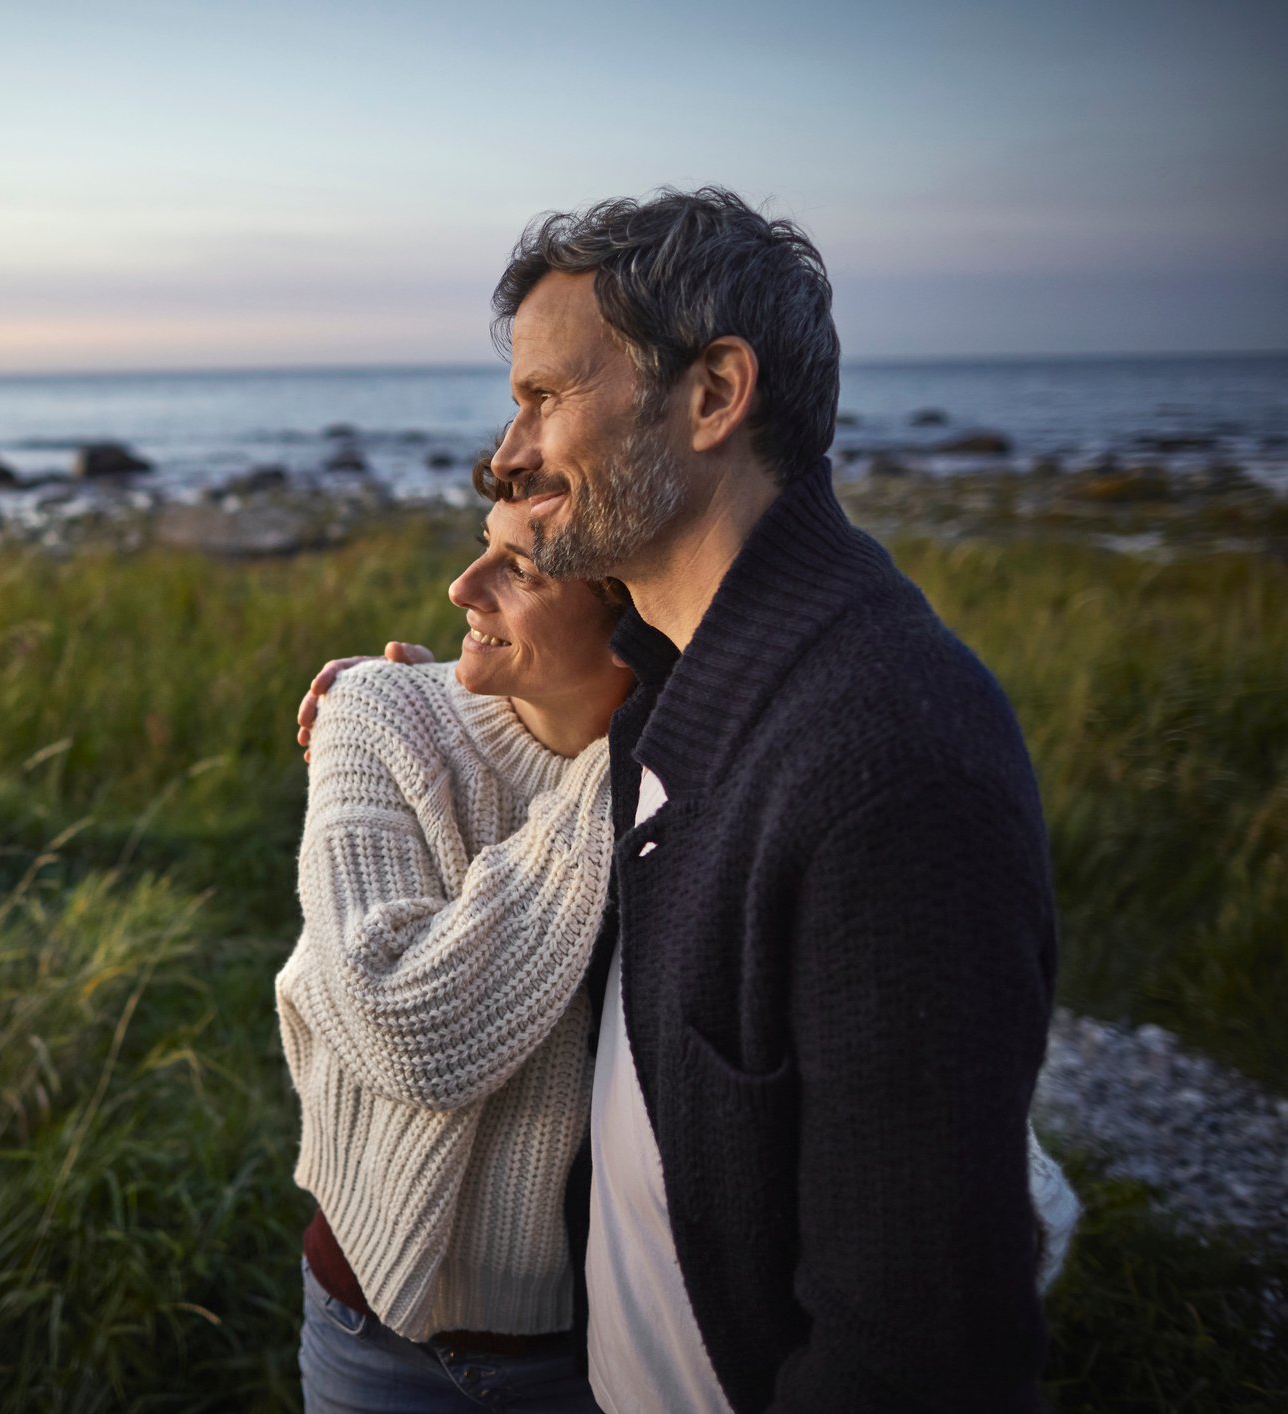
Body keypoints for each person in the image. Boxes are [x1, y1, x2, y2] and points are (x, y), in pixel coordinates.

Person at [296, 188, 1066, 1412]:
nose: (509, 454)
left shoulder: (886, 758)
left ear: (713, 394)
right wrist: (397, 701)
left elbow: (915, 1347)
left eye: (547, 397)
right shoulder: (678, 691)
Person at [279, 485, 630, 1412]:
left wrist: (640, 754)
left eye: (520, 569)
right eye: (484, 546)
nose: (459, 586)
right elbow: (404, 1027)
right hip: (370, 1334)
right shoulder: (376, 710)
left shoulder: (692, 782)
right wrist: (619, 774)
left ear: (638, 614)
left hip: (597, 1351)